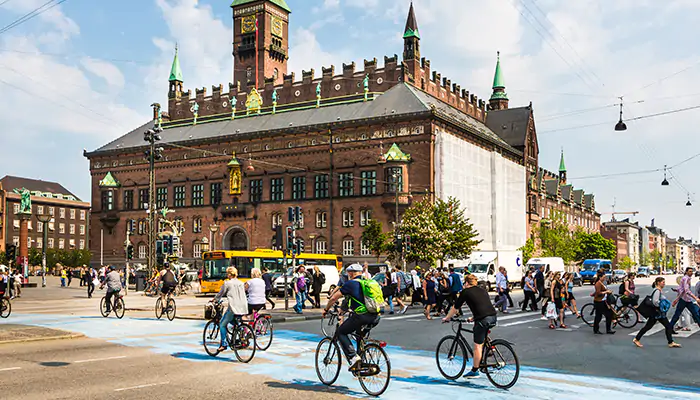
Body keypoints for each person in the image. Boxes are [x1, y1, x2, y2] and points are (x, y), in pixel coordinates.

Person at [323, 263, 381, 372]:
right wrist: (342, 311)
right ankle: (361, 364)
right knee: (359, 336)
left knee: (341, 332)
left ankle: (353, 357)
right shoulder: (369, 282)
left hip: (361, 317)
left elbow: (333, 298)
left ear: (351, 273)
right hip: (375, 316)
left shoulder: (350, 284)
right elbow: (351, 300)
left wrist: (326, 309)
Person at [443, 274, 498, 379]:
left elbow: (455, 308)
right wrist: (473, 317)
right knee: (482, 333)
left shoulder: (465, 292)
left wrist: (447, 318)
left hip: (483, 319)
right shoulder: (482, 290)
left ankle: (474, 370)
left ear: (467, 283)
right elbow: (481, 305)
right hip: (493, 316)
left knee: (477, 345)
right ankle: (490, 349)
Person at [633, 277, 681, 348]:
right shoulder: (657, 291)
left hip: (658, 313)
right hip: (657, 313)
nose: (664, 284)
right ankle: (636, 339)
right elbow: (655, 302)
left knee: (667, 326)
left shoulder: (658, 290)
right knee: (649, 327)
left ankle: (671, 342)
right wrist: (661, 305)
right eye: (663, 282)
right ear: (658, 283)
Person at [213, 266, 248, 352]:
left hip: (233, 307)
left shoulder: (227, 283)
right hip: (243, 307)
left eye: (227, 273)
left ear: (229, 274)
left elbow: (220, 293)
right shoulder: (241, 283)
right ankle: (241, 335)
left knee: (222, 324)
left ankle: (223, 344)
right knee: (234, 321)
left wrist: (215, 299)